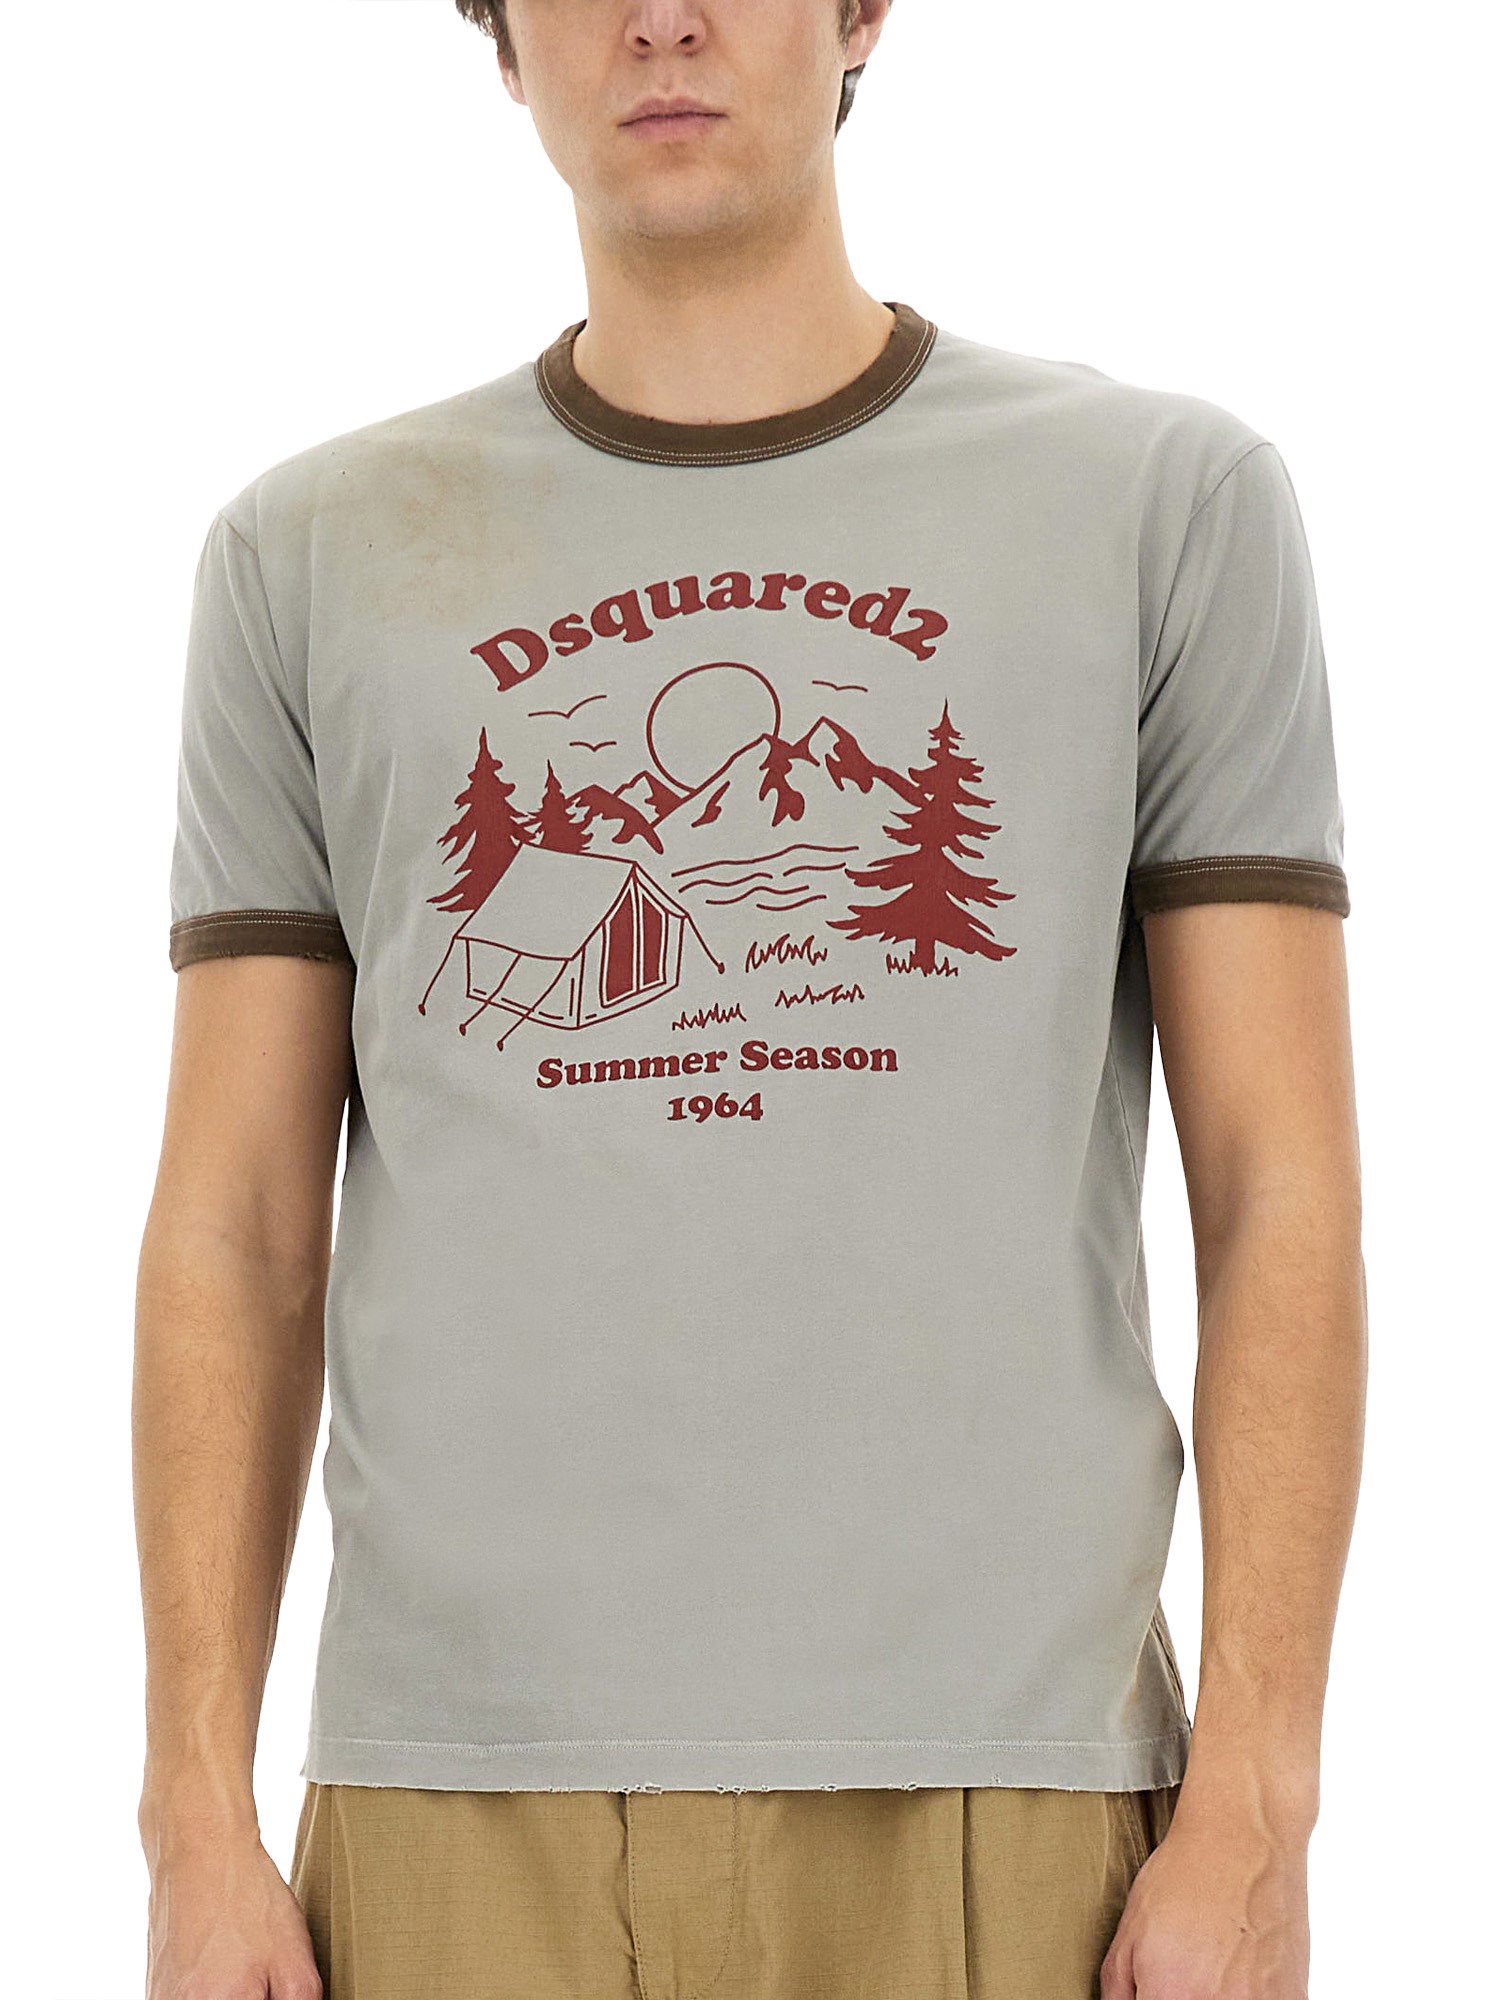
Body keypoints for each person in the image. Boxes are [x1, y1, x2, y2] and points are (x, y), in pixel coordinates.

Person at [132, 2, 1367, 1996]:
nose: (664, 19)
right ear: (502, 45)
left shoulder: (1162, 502)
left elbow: (1276, 1185)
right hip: (453, 1790)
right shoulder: (303, 558)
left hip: (1010, 1780)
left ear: (864, 11)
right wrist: (192, 1817)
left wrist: (1260, 1800)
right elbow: (238, 1226)